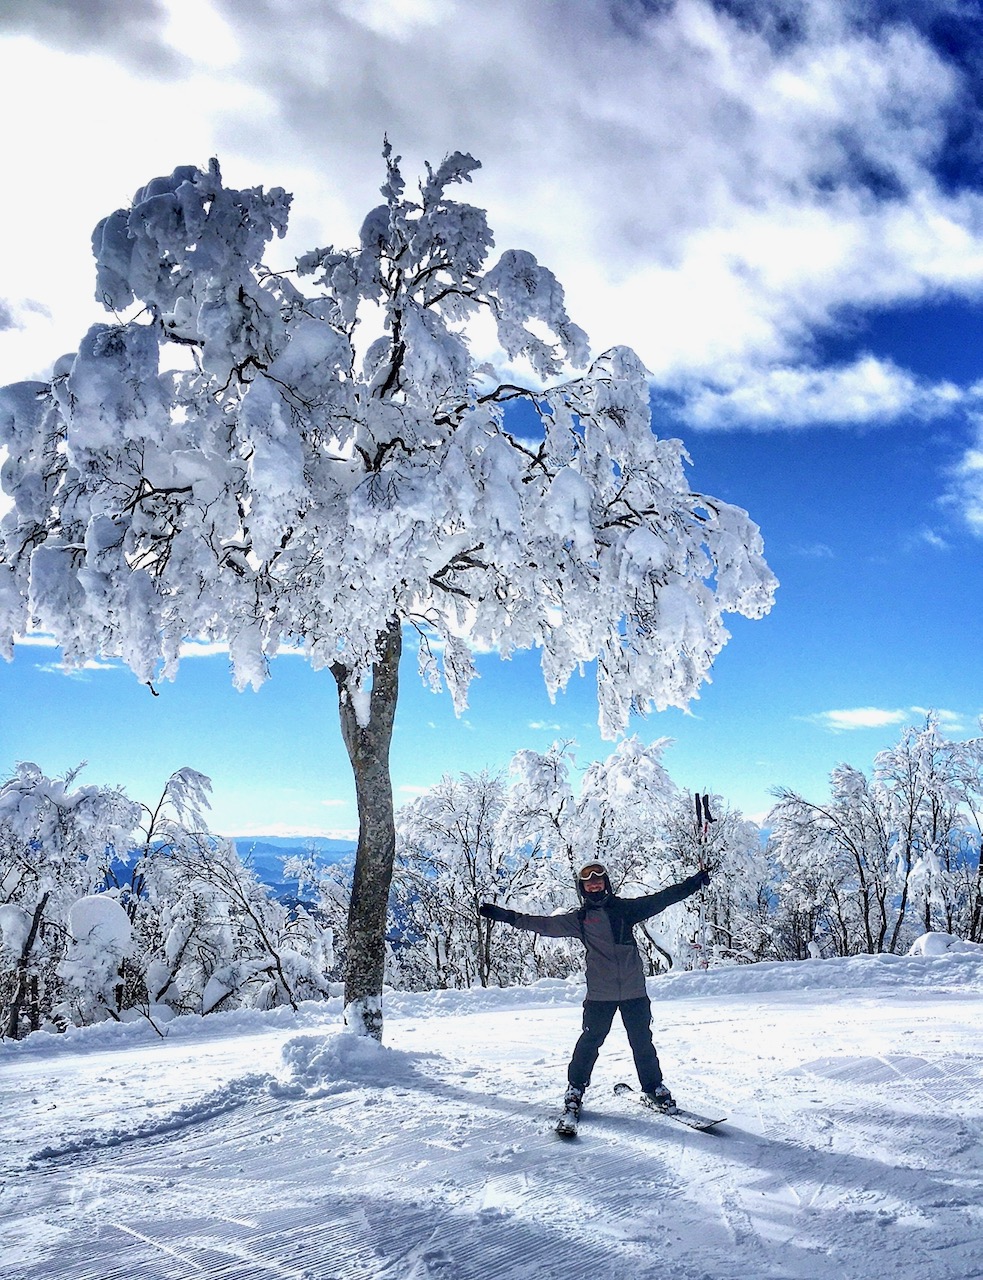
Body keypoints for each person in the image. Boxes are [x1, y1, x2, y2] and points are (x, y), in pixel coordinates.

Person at [479, 860, 709, 1119]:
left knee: (642, 1042)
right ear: (583, 888)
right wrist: (509, 917)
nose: (595, 884)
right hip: (600, 995)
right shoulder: (580, 919)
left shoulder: (624, 910)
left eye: (599, 879)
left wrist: (693, 884)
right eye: (589, 882)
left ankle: (653, 1087)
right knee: (590, 1042)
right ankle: (575, 1089)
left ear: (606, 883)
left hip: (634, 992)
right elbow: (543, 925)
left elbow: (662, 899)